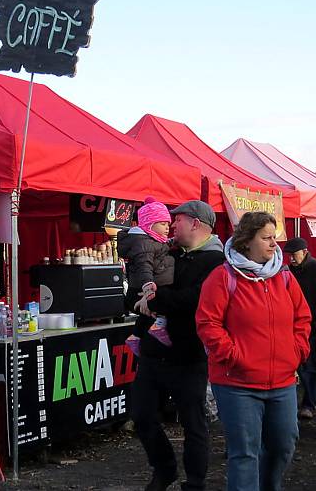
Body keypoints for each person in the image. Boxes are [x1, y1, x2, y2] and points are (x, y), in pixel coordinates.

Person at [196, 212, 311, 491]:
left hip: (282, 380)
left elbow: (302, 318)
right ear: (247, 241)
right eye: (266, 237)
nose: (274, 244)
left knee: (284, 444)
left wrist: (296, 352)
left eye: (275, 237)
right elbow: (207, 323)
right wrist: (234, 356)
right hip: (237, 383)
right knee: (244, 453)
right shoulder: (222, 277)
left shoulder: (283, 277)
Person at [131, 200, 225, 491]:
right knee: (142, 416)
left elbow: (195, 301)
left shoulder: (217, 262)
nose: (171, 224)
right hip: (153, 353)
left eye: (177, 219)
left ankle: (195, 483)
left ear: (196, 223)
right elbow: (135, 289)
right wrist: (141, 298)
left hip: (189, 356)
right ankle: (165, 469)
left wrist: (154, 301)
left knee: (193, 423)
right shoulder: (165, 250)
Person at [118, 196, 175, 355]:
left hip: (148, 286)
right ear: (150, 225)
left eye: (168, 224)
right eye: (163, 224)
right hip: (144, 288)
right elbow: (145, 266)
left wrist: (173, 241)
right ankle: (158, 326)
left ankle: (136, 336)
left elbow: (161, 249)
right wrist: (148, 285)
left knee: (148, 313)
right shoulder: (144, 244)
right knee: (159, 307)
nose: (167, 228)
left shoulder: (152, 241)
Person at [282, 236, 316, 419]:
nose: (291, 259)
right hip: (293, 325)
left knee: (311, 366)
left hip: (313, 325)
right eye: (289, 255)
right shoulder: (287, 271)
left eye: (294, 255)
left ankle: (308, 404)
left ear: (305, 252)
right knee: (301, 365)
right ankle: (315, 394)